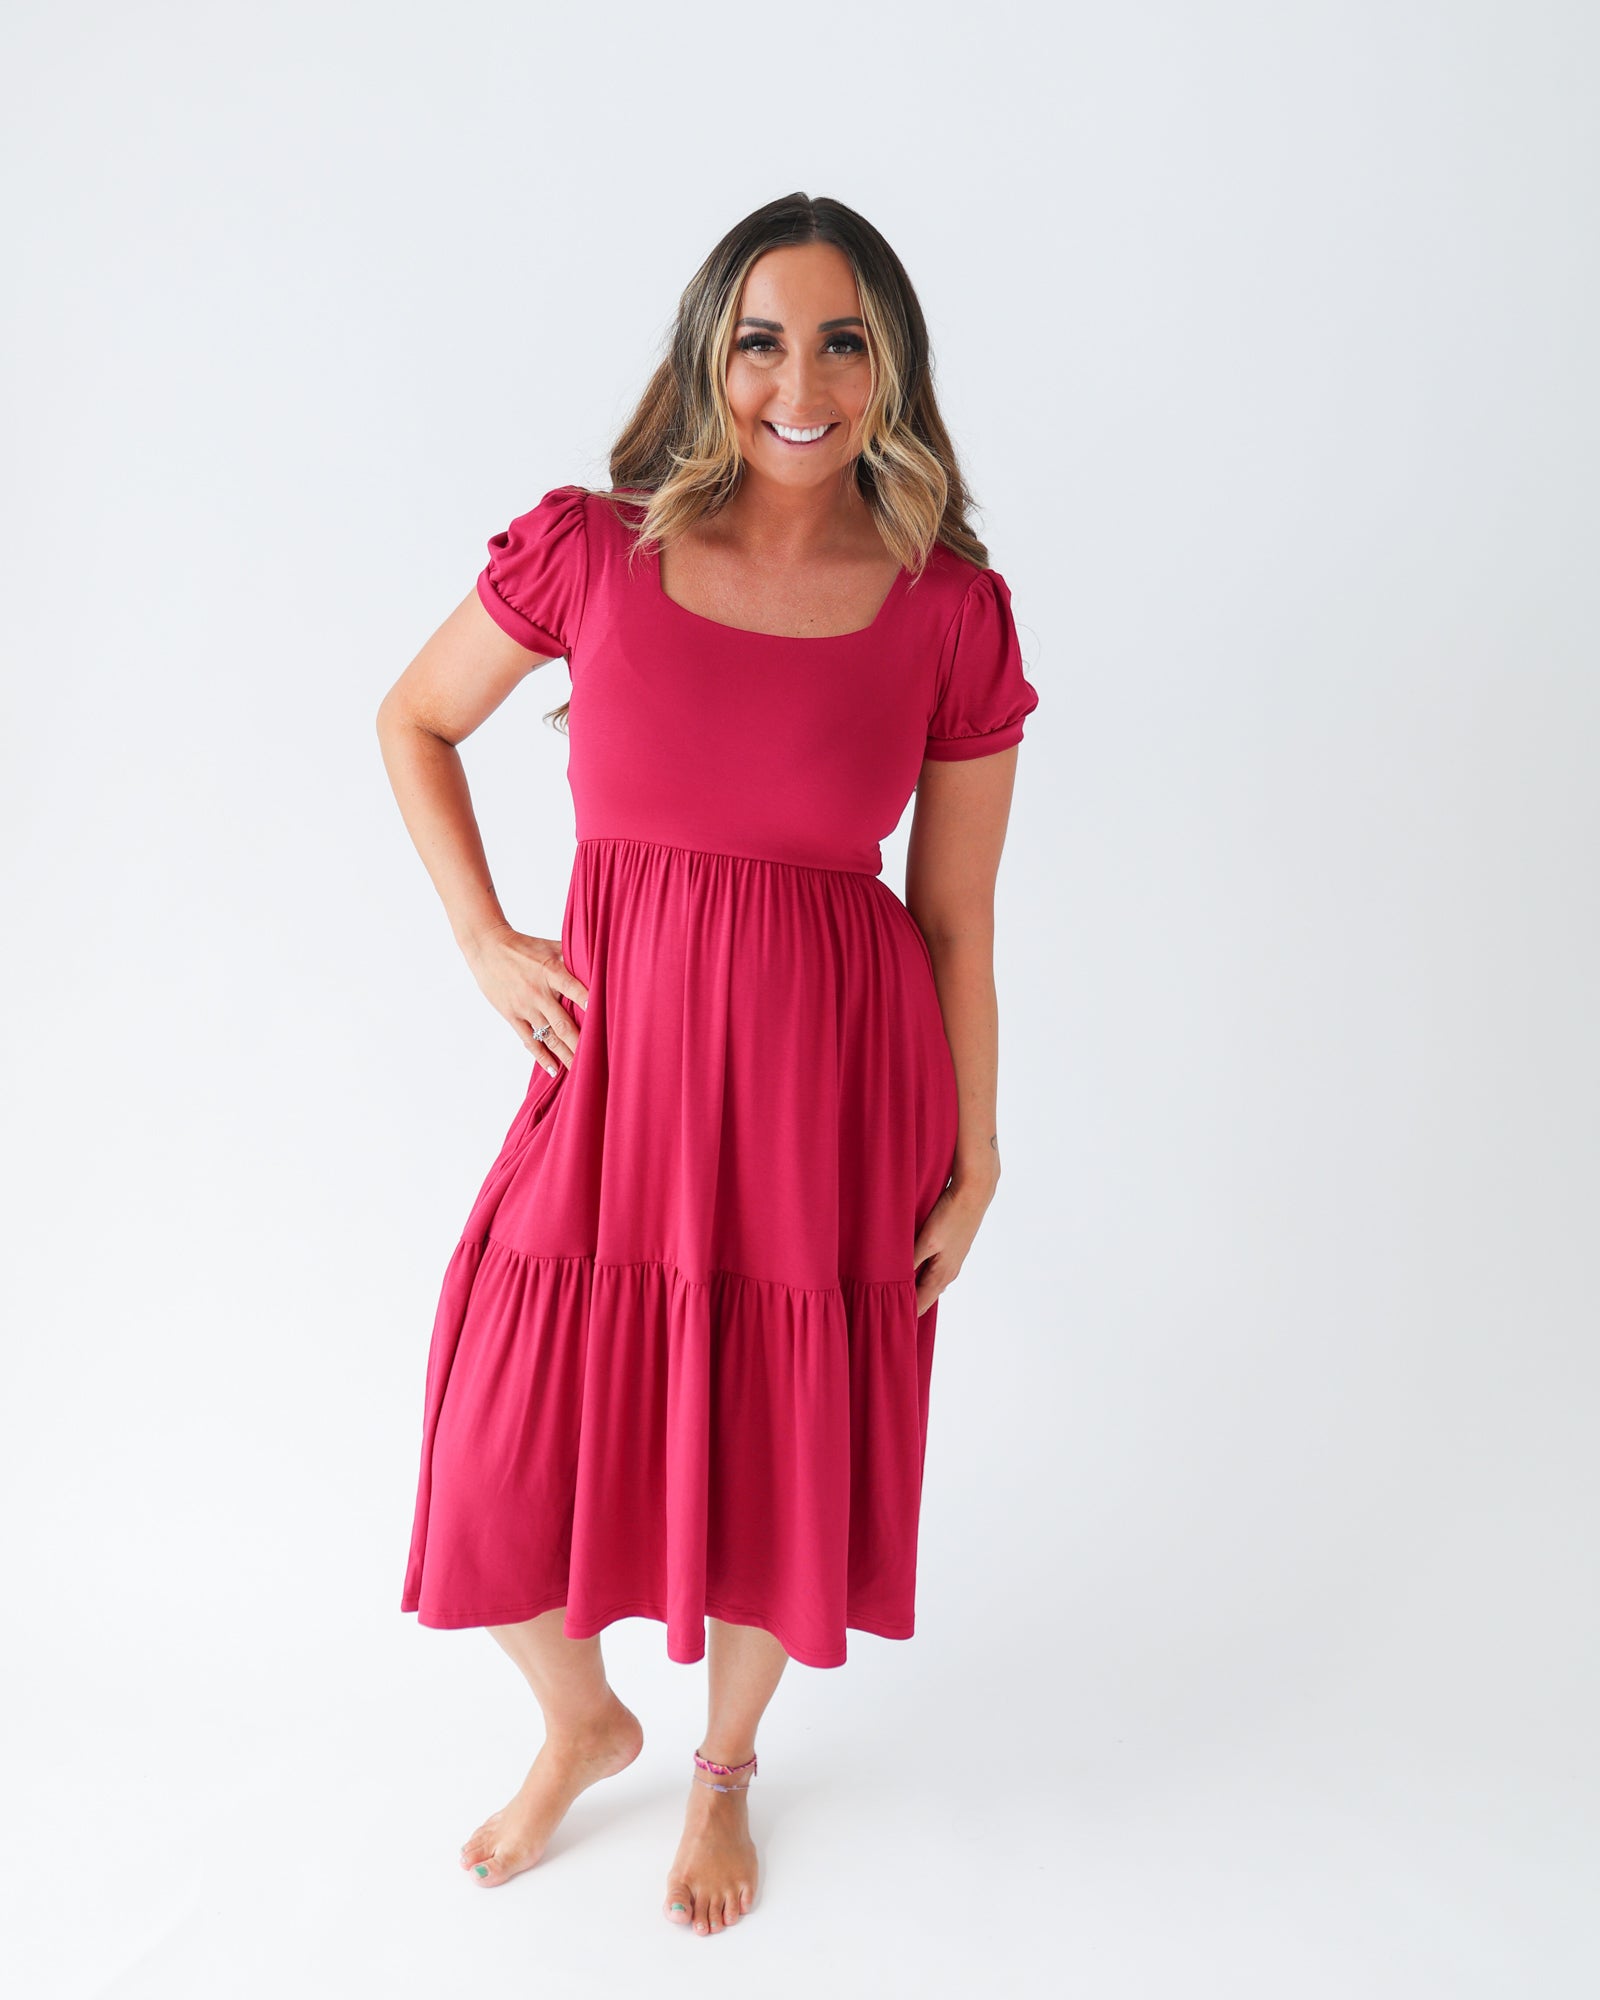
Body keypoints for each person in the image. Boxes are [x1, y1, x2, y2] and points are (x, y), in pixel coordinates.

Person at [375, 189, 1040, 1938]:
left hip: (836, 1092)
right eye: (761, 341)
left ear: (890, 368)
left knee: (775, 1441)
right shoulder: (591, 553)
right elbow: (415, 718)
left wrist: (977, 1155)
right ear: (707, 355)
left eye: (841, 343)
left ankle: (726, 1769)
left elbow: (956, 915)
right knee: (490, 1441)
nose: (798, 384)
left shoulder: (950, 611)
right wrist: (485, 937)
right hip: (616, 1081)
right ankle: (584, 1722)